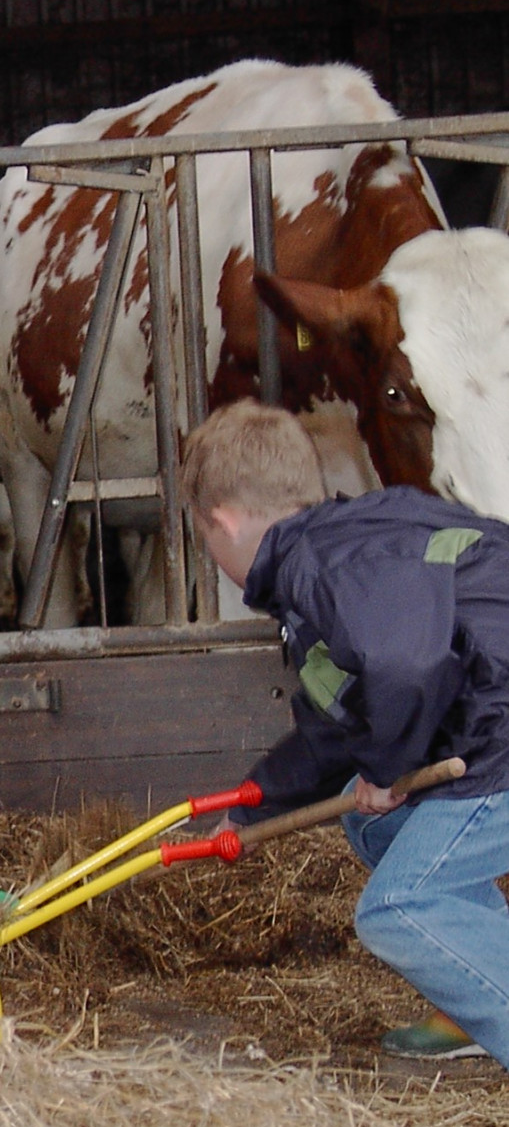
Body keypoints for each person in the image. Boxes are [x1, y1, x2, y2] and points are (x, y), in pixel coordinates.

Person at [183, 399, 509, 1065]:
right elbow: (338, 729)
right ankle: (478, 987)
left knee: (396, 908)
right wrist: (255, 802)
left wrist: (387, 769)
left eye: (204, 540)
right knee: (374, 825)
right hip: (489, 724)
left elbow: (406, 665)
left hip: (499, 735)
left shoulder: (325, 566)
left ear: (220, 522)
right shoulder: (342, 545)